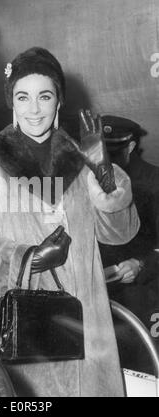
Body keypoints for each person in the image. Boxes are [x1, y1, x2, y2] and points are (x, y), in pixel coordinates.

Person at [0, 47, 140, 397]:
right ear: (12, 103)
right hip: (23, 327)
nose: (34, 109)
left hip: (86, 323)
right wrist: (28, 258)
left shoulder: (84, 164)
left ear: (58, 102)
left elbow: (120, 234)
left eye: (44, 96)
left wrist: (106, 179)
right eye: (23, 97)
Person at [98, 116, 159, 372]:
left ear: (131, 147)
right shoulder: (90, 181)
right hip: (103, 297)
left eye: (113, 150)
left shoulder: (154, 182)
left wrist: (140, 264)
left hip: (145, 297)